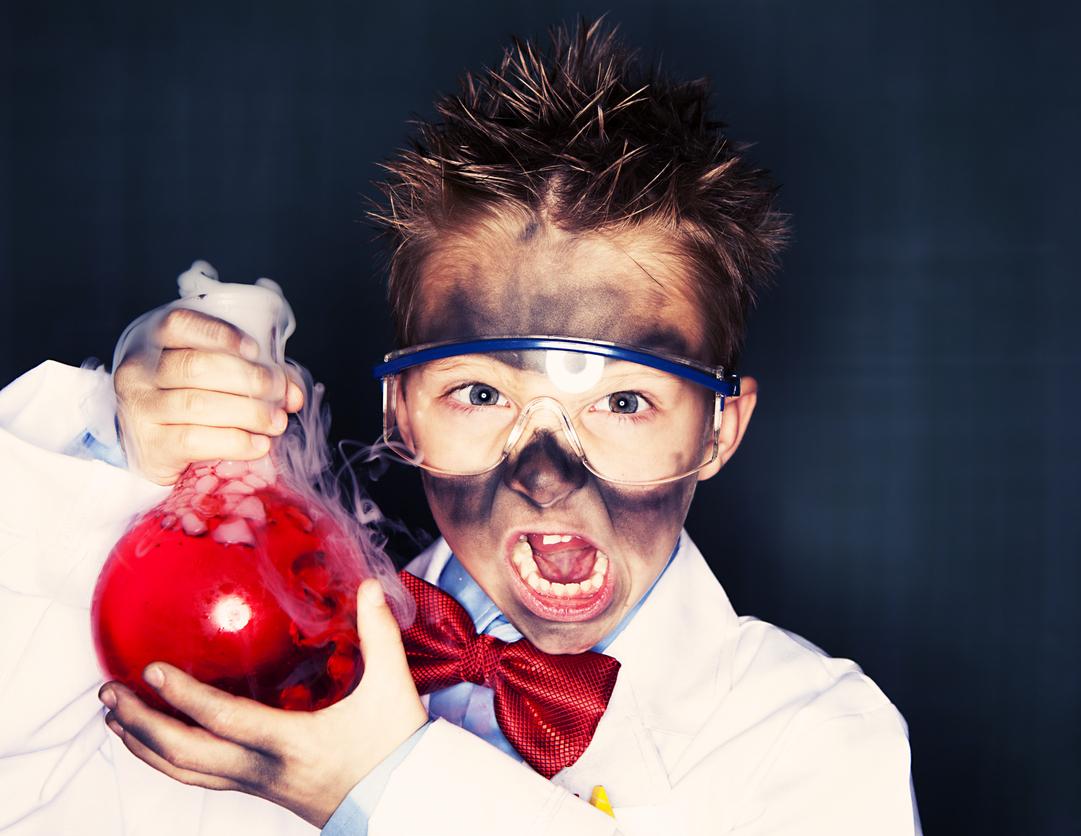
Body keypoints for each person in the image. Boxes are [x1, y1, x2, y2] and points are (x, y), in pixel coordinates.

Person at [0, 19, 921, 835]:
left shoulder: (815, 735)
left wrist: (382, 786)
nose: (548, 474)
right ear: (399, 413)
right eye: (481, 395)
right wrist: (107, 451)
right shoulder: (261, 656)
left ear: (718, 431)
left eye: (626, 402)